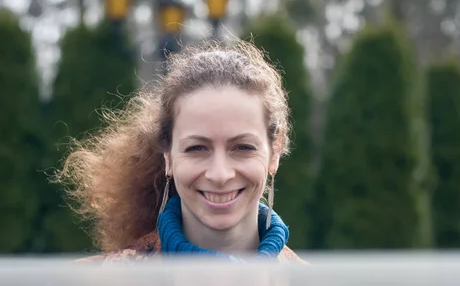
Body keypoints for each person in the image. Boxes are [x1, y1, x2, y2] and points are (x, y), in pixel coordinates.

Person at [57, 40, 305, 264]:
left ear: (275, 151)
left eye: (243, 148)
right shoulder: (94, 284)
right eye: (197, 148)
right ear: (168, 155)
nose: (220, 174)